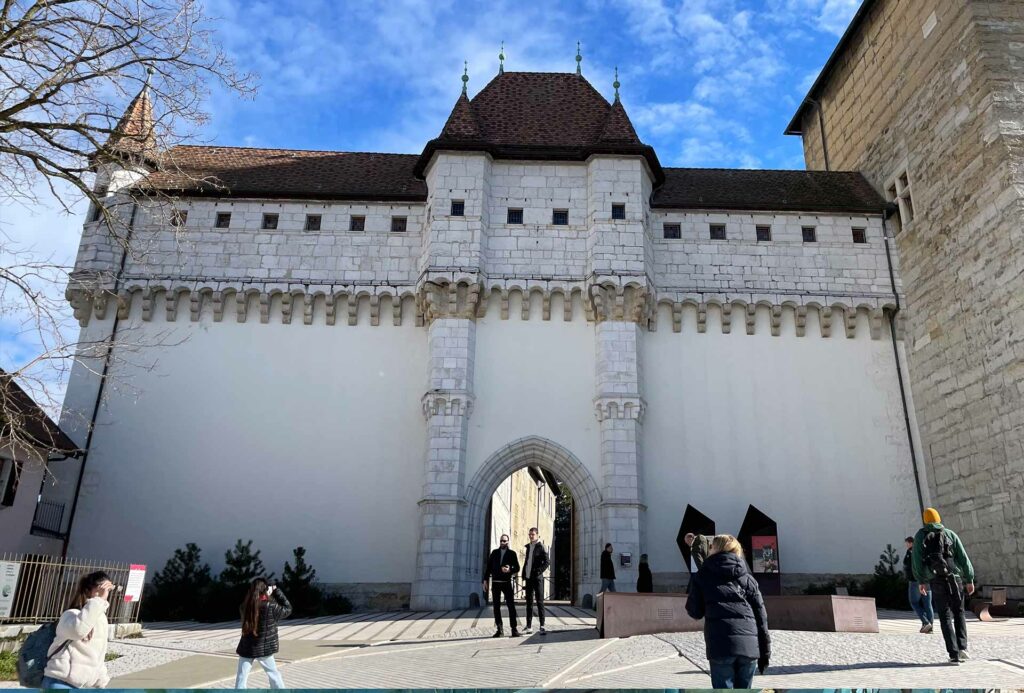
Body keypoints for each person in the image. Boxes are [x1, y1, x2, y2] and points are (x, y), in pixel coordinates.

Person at [685, 535, 771, 689]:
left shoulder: (702, 576)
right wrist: (765, 654)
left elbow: (695, 612)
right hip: (749, 648)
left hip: (720, 646)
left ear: (714, 549)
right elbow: (761, 618)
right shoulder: (748, 579)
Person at [912, 507, 975, 664]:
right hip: (955, 579)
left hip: (936, 580)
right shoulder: (950, 534)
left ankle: (953, 654)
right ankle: (963, 648)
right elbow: (963, 557)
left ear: (925, 520)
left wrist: (921, 581)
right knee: (959, 613)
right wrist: (969, 579)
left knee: (945, 616)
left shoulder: (921, 536)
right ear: (939, 519)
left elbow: (917, 560)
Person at [41, 571, 115, 689]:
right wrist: (99, 601)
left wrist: (101, 681)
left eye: (108, 590)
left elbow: (99, 654)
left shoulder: (101, 619)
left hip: (82, 685)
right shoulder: (71, 615)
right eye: (101, 590)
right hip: (60, 681)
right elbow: (78, 631)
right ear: (88, 591)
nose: (105, 594)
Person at [235, 578, 292, 688]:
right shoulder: (271, 606)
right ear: (265, 590)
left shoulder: (244, 606)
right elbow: (288, 608)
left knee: (241, 677)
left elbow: (254, 605)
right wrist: (276, 592)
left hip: (247, 647)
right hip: (265, 648)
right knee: (274, 675)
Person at [483, 533, 520, 637]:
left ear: (508, 542)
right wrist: (485, 580)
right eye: (501, 541)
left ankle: (514, 629)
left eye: (504, 541)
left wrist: (510, 569)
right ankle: (500, 630)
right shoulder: (494, 553)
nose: (502, 542)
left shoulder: (512, 553)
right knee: (496, 607)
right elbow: (488, 567)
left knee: (511, 606)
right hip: (495, 583)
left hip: (506, 583)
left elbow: (517, 568)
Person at [521, 527, 550, 635]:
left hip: (537, 579)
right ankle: (529, 626)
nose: (531, 536)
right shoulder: (528, 547)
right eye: (530, 534)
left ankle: (542, 626)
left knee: (539, 602)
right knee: (529, 603)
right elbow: (527, 561)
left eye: (532, 534)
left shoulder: (541, 546)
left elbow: (547, 562)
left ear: (537, 535)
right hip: (528, 578)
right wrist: (524, 573)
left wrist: (539, 571)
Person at [904, 535, 934, 633]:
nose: (906, 545)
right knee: (927, 604)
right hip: (926, 580)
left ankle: (926, 622)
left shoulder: (911, 552)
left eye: (907, 543)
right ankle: (930, 627)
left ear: (911, 543)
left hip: (915, 581)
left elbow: (910, 566)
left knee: (914, 602)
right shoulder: (924, 550)